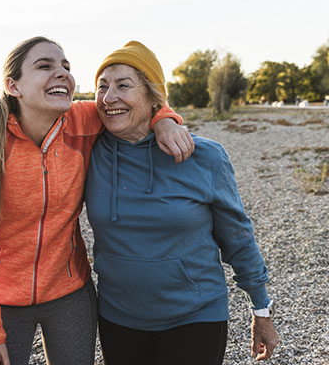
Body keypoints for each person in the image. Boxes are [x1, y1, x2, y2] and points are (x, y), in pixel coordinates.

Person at [0, 36, 194, 365]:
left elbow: (136, 102)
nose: (61, 73)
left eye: (66, 66)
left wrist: (164, 121)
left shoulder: (83, 122)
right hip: (3, 301)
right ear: (14, 86)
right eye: (45, 66)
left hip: (70, 294)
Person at [84, 41, 279, 364]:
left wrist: (261, 309)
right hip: (119, 317)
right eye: (101, 86)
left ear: (152, 95)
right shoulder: (88, 151)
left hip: (195, 316)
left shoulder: (205, 157)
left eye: (123, 85)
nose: (108, 98)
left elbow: (238, 238)